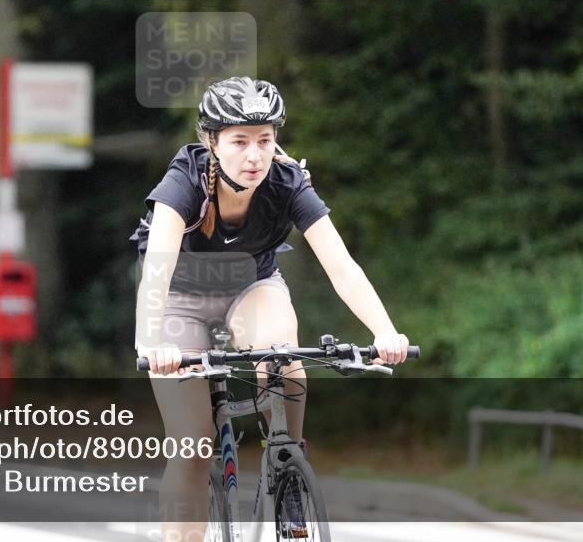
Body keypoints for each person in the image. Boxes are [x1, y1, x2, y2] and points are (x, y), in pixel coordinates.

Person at [132, 76, 410, 541]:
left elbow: (340, 265)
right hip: (179, 298)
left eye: (265, 140)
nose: (254, 155)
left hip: (252, 286)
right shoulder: (185, 181)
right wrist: (152, 341)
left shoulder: (287, 183)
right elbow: (157, 270)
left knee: (281, 353)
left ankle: (287, 458)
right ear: (211, 142)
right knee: (193, 446)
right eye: (239, 141)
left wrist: (385, 332)